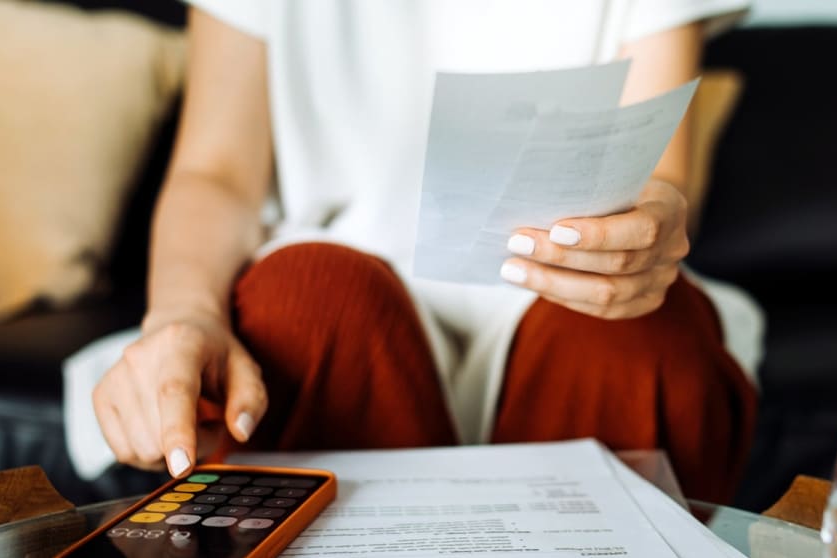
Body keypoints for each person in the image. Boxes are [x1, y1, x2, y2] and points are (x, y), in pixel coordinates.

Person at [83, 0, 764, 505]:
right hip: (341, 284)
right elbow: (216, 172)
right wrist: (183, 314)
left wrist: (649, 224)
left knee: (635, 338)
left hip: (559, 277)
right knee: (307, 299)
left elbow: (654, 167)